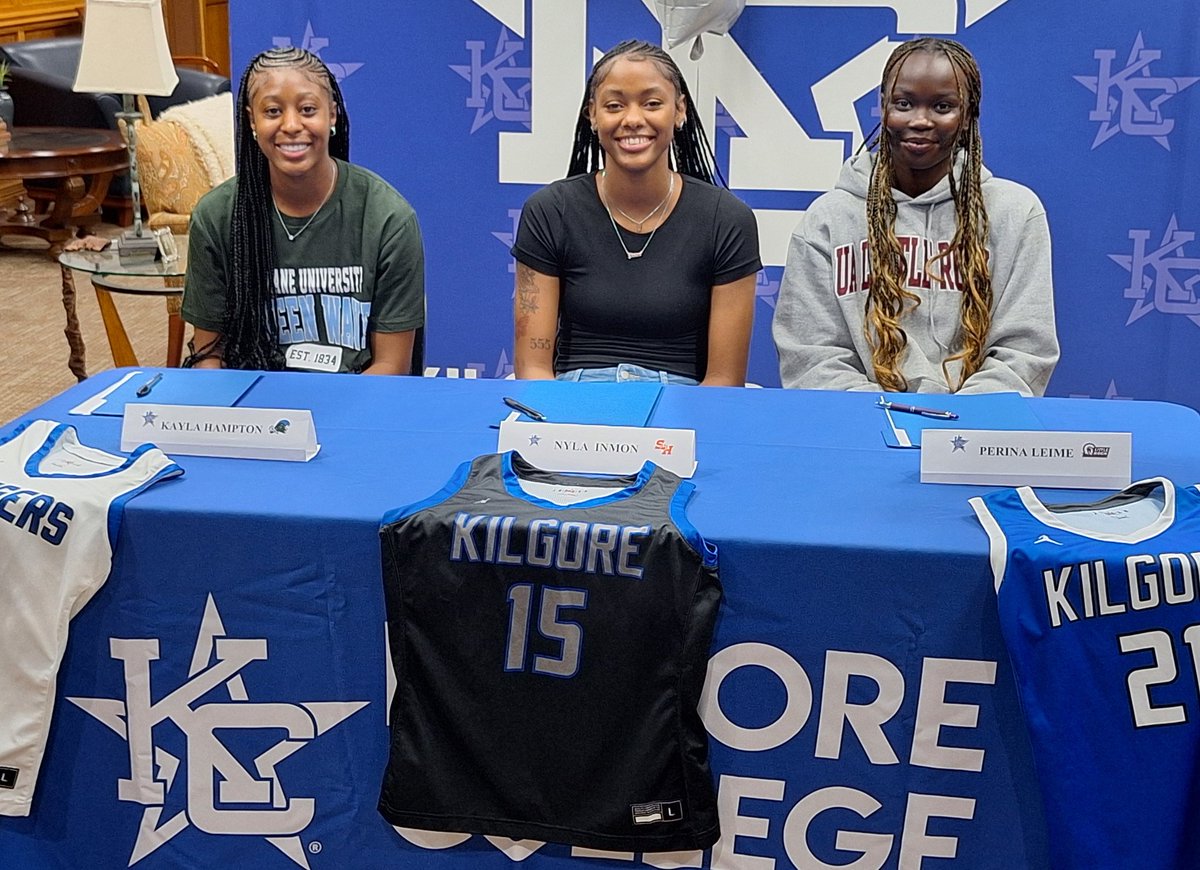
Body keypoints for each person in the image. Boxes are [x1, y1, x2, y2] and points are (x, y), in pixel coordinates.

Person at [772, 37, 1058, 395]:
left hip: (973, 435)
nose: (920, 120)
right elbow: (811, 357)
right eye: (904, 103)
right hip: (863, 433)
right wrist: (894, 420)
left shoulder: (1016, 213)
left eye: (942, 106)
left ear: (968, 115)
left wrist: (954, 425)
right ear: (882, 107)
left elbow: (1024, 352)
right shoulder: (828, 220)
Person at [511, 39, 760, 386]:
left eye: (652, 103)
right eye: (614, 105)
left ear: (680, 110)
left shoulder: (727, 221)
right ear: (592, 115)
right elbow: (533, 370)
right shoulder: (550, 212)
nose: (633, 119)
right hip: (574, 406)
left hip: (682, 409)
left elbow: (723, 381)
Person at [182, 47, 424, 373]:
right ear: (251, 121)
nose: (292, 125)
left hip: (355, 407)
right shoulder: (217, 217)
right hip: (253, 413)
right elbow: (208, 356)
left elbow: (391, 367)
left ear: (333, 114)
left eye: (308, 109)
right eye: (272, 112)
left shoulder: (388, 219)